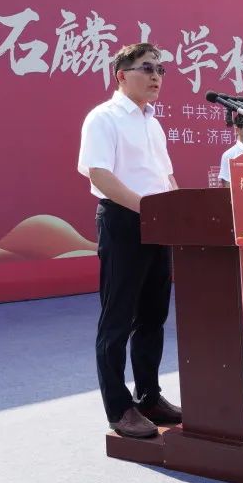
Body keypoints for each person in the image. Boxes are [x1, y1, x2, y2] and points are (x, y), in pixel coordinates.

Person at [78, 43, 182, 439]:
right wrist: (149, 209)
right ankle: (119, 408)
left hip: (158, 224)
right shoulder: (103, 117)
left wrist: (180, 212)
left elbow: (165, 177)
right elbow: (99, 175)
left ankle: (149, 397)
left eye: (161, 69)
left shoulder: (153, 123)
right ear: (122, 75)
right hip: (123, 222)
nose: (157, 76)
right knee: (117, 319)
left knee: (153, 317)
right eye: (147, 68)